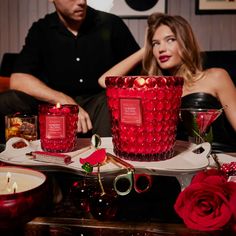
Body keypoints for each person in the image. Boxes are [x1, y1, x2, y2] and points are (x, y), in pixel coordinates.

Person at [0, 0, 140, 143]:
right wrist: (65, 101)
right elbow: (18, 79)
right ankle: (11, 160)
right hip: (54, 109)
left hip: (99, 107)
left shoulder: (111, 24)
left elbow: (139, 73)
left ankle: (105, 160)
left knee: (111, 99)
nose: (81, 1)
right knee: (8, 100)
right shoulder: (42, 29)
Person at [98, 12, 236, 151]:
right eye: (156, 43)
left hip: (218, 159)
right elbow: (105, 81)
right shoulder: (154, 88)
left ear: (185, 42)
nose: (161, 49)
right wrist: (145, 49)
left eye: (170, 40)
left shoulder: (216, 77)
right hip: (176, 163)